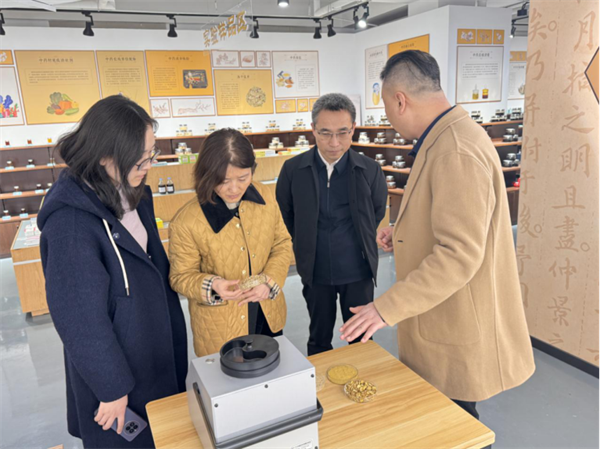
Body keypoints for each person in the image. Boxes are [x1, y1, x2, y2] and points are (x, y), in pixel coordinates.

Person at [340, 50, 535, 432]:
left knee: (456, 425)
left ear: (400, 100)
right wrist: (404, 232)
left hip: (456, 321)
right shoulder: (449, 136)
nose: (390, 119)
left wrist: (384, 309)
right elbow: (459, 221)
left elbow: (459, 254)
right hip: (446, 313)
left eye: (387, 108)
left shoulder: (454, 149)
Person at [38, 95, 188, 449]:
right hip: (120, 371)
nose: (149, 164)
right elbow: (79, 319)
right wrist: (111, 388)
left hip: (152, 347)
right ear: (105, 155)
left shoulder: (134, 192)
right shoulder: (71, 224)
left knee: (165, 433)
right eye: (141, 157)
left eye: (152, 153)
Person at [276, 93, 388, 356]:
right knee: (318, 337)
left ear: (353, 130)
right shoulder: (293, 170)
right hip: (315, 271)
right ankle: (319, 383)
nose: (334, 143)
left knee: (361, 338)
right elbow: (286, 215)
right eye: (325, 133)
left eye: (342, 133)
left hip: (358, 270)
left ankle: (363, 379)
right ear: (313, 129)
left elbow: (376, 212)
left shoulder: (370, 169)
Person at [169, 128, 292, 357]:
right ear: (206, 175)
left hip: (267, 311)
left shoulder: (265, 196)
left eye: (243, 178)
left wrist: (269, 282)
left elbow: (282, 244)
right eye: (223, 181)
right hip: (221, 326)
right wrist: (213, 285)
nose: (234, 189)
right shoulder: (186, 221)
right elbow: (180, 276)